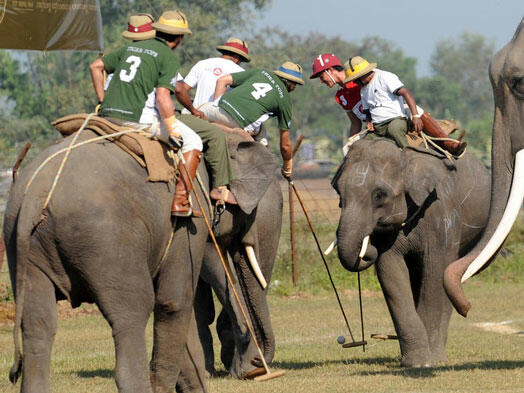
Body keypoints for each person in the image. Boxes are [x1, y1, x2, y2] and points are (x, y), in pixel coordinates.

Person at [89, 10, 214, 216]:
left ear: (158, 31)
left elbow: (96, 66)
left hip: (107, 114)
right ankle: (181, 202)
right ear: (179, 38)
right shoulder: (168, 57)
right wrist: (173, 131)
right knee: (194, 142)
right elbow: (163, 97)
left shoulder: (130, 48)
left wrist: (102, 99)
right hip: (138, 119)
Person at [199, 61, 305, 179]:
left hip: (217, 110)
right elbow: (285, 145)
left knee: (193, 112)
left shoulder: (261, 72)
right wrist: (287, 167)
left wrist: (215, 105)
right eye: (295, 85)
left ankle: (208, 123)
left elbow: (222, 80)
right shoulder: (285, 101)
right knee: (262, 141)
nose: (294, 88)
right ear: (291, 84)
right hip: (237, 123)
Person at [343, 56, 466, 155]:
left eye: (356, 78)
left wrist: (415, 116)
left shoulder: (385, 77)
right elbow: (367, 110)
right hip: (378, 127)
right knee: (362, 144)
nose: (355, 82)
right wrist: (369, 122)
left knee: (395, 130)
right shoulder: (363, 90)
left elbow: (406, 93)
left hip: (395, 120)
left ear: (364, 73)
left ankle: (410, 156)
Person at [175, 37, 250, 119]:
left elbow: (182, 90)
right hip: (219, 120)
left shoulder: (202, 63)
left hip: (196, 116)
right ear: (237, 58)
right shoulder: (242, 73)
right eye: (241, 60)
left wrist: (191, 106)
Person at [310, 53, 365, 138]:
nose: (321, 81)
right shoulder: (340, 96)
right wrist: (350, 143)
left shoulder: (359, 79)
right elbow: (355, 124)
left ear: (330, 70)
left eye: (321, 77)